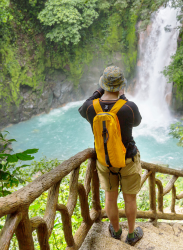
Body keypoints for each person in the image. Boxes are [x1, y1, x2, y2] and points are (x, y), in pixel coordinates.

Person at [78, 66, 143, 246]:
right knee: (130, 198)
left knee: (110, 197)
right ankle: (131, 234)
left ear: (103, 85)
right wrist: (123, 98)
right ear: (121, 86)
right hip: (127, 159)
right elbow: (137, 122)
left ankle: (115, 231)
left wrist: (98, 92)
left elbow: (82, 108)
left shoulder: (92, 107)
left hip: (104, 161)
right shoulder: (128, 107)